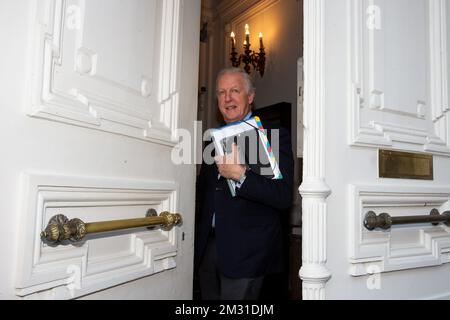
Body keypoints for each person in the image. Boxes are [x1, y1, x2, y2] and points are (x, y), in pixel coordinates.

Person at [195, 67, 294, 300]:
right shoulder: (212, 139)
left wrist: (242, 175)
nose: (227, 98)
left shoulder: (273, 135)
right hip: (208, 252)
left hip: (248, 255)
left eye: (234, 90)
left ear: (250, 97)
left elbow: (282, 196)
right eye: (221, 92)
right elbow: (204, 193)